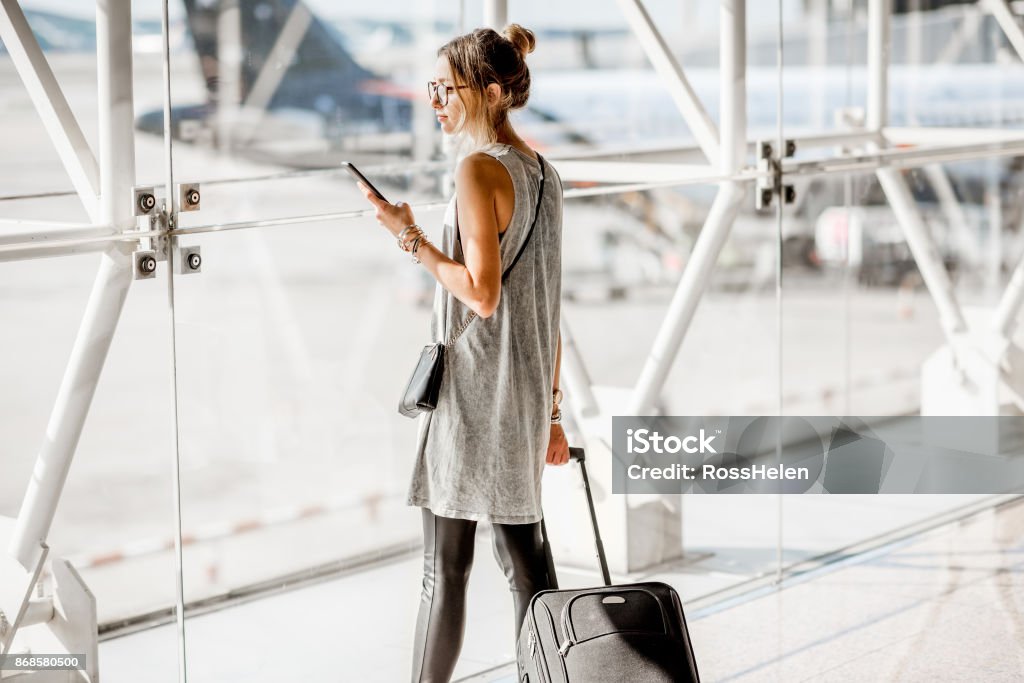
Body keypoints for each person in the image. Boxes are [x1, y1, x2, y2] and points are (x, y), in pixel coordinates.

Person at [357, 23, 568, 683]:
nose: (436, 101)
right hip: (526, 393)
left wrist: (409, 236)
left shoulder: (477, 168)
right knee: (529, 569)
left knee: (443, 570)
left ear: (490, 91)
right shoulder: (543, 170)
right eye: (435, 88)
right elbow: (548, 304)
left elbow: (479, 293)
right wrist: (553, 414)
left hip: (475, 397)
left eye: (446, 89)